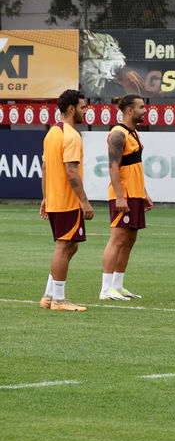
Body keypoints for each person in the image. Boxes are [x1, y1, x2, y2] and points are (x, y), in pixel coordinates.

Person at [39, 89, 95, 311]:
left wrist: (45, 197)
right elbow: (72, 171)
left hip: (56, 199)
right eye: (82, 107)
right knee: (64, 247)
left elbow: (45, 167)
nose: (85, 111)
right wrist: (84, 201)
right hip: (66, 201)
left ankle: (48, 296)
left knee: (71, 246)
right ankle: (59, 301)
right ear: (71, 109)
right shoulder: (71, 135)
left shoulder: (52, 133)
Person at [100, 94, 153, 301]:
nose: (144, 110)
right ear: (129, 110)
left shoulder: (134, 133)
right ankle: (105, 289)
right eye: (141, 107)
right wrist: (120, 197)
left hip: (136, 194)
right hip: (124, 195)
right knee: (118, 239)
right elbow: (113, 167)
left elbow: (135, 166)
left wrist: (145, 193)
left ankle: (118, 285)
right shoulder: (118, 134)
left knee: (130, 239)